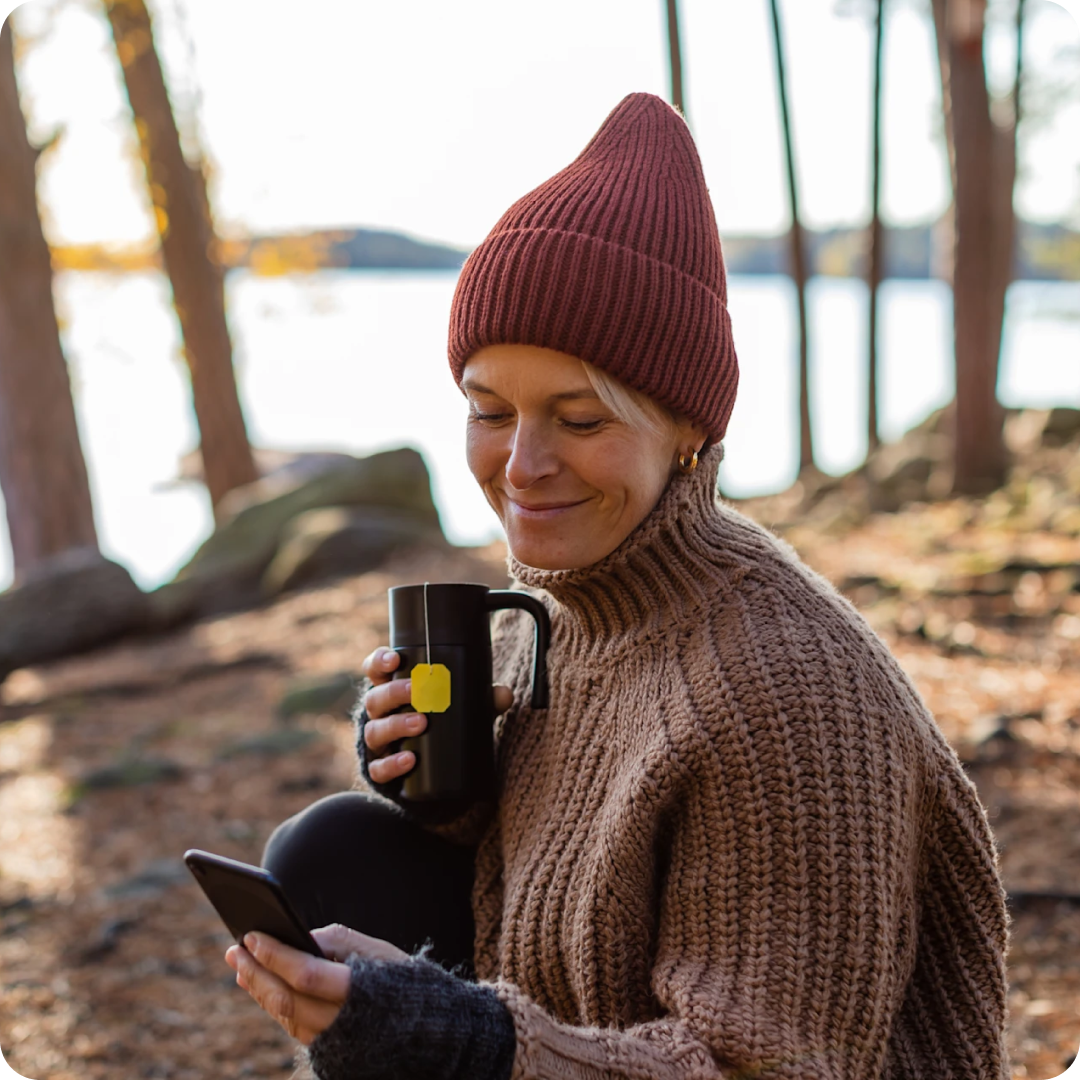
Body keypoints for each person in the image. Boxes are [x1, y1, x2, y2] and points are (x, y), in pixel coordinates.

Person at [223, 92, 1011, 1079]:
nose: (520, 466)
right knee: (337, 853)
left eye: (580, 420)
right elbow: (567, 864)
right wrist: (437, 782)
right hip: (583, 1041)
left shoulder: (788, 693)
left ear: (688, 430)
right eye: (490, 409)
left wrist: (465, 1043)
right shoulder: (564, 603)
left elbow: (757, 1067)